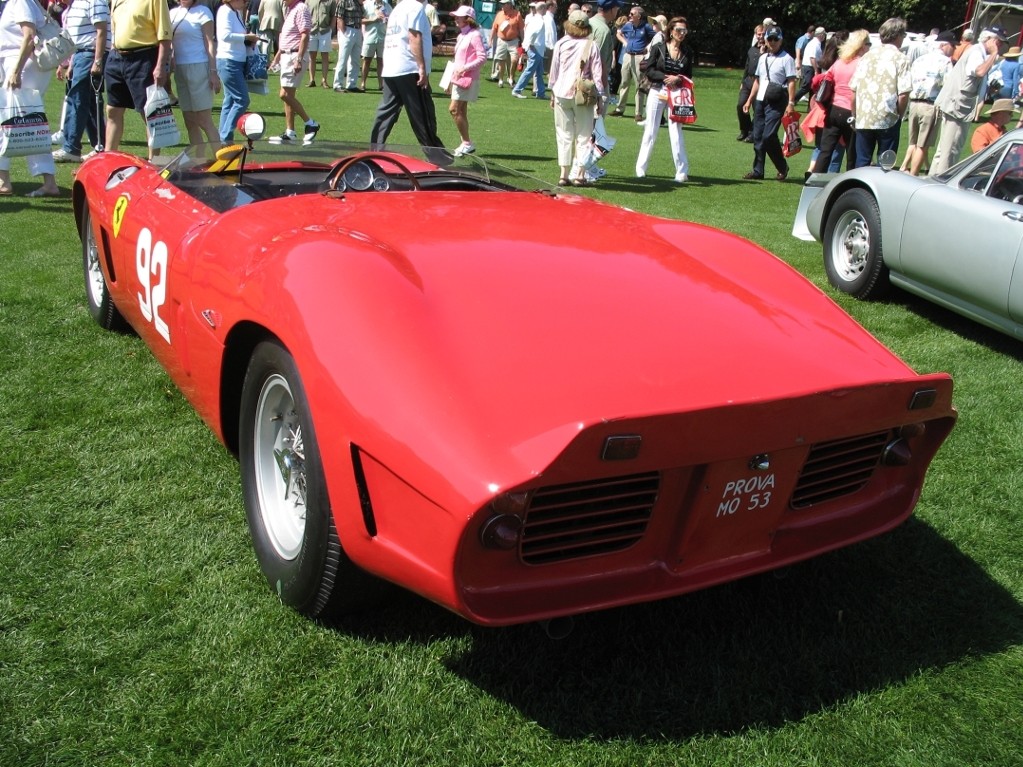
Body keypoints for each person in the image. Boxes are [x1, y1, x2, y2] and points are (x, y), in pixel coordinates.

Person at [368, 0, 447, 162]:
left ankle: (374, 151)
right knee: (423, 113)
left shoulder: (398, 8)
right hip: (409, 68)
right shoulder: (415, 7)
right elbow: (414, 36)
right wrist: (422, 68)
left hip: (391, 68)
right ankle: (437, 156)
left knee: (386, 112)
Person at [0, 0, 60, 195]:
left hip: (22, 65)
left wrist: (15, 71)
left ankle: (3, 180)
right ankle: (48, 181)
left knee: (7, 121)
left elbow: (29, 36)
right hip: (25, 65)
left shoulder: (20, 2)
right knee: (33, 124)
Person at [930, 26, 1007, 175]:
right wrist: (994, 53)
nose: (1001, 45)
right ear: (989, 40)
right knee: (950, 150)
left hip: (956, 106)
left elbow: (973, 79)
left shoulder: (978, 52)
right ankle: (941, 186)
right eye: (999, 42)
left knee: (944, 150)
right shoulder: (977, 53)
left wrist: (989, 90)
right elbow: (979, 71)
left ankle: (931, 180)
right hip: (957, 108)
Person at [103, 0, 172, 159]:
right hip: (117, 57)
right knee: (113, 110)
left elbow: (165, 34)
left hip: (144, 57)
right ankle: (108, 158)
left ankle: (153, 162)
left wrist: (161, 66)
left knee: (149, 113)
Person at [548, 8, 604, 185]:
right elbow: (598, 74)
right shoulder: (591, 45)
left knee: (563, 134)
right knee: (584, 135)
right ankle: (580, 174)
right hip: (583, 94)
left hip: (561, 93)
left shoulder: (561, 44)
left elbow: (553, 72)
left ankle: (563, 175)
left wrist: (552, 92)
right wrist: (601, 98)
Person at [635, 15, 692, 183]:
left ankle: (682, 171)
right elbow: (649, 69)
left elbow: (688, 75)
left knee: (676, 131)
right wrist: (665, 77)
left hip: (677, 94)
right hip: (657, 90)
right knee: (650, 131)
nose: (681, 33)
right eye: (678, 30)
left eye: (684, 30)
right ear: (671, 31)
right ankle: (641, 168)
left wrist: (678, 79)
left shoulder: (688, 51)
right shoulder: (659, 47)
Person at [848, 17, 910, 167]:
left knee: (862, 162)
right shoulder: (901, 59)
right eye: (903, 35)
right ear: (898, 35)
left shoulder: (866, 57)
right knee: (886, 164)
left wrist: (854, 115)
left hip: (864, 117)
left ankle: (859, 189)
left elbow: (854, 91)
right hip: (887, 118)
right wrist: (899, 117)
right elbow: (904, 94)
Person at [52, 0, 108, 163]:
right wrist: (70, 62)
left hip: (89, 54)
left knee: (76, 99)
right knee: (90, 102)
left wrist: (97, 60)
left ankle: (71, 148)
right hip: (79, 54)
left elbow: (101, 31)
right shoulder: (74, 6)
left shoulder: (94, 1)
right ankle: (100, 146)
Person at [741, 24, 796, 181]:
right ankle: (758, 170)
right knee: (757, 136)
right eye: (769, 39)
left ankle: (782, 166)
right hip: (761, 99)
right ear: (765, 40)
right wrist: (749, 99)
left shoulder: (787, 59)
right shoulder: (763, 58)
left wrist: (791, 103)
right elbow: (757, 81)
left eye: (775, 39)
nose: (772, 42)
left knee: (769, 136)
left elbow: (792, 81)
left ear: (781, 40)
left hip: (778, 100)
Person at [811, 29, 869, 174]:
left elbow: (825, 79)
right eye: (868, 44)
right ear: (862, 46)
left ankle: (814, 183)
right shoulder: (862, 63)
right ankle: (851, 183)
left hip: (834, 110)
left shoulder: (839, 62)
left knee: (825, 151)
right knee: (852, 154)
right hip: (851, 111)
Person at [898, 30, 954, 176]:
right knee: (923, 145)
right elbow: (949, 85)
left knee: (913, 142)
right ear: (944, 45)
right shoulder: (945, 62)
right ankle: (913, 175)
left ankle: (905, 168)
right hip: (930, 104)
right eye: (952, 45)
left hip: (914, 104)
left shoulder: (920, 60)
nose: (953, 49)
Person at [169, 0, 220, 146]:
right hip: (180, 68)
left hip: (199, 66)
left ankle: (222, 161)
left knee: (204, 119)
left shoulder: (203, 11)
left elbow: (210, 43)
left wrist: (213, 72)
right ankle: (199, 160)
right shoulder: (173, 13)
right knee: (189, 120)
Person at [273, 0, 320, 142]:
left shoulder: (301, 8)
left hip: (294, 56)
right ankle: (290, 132)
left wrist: (298, 59)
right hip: (287, 55)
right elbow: (287, 38)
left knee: (284, 94)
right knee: (289, 96)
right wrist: (276, 58)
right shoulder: (290, 10)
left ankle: (310, 123)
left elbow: (305, 35)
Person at [216, 0, 257, 144]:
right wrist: (247, 37)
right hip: (228, 60)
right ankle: (225, 136)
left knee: (230, 100)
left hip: (237, 60)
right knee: (242, 99)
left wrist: (248, 40)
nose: (246, 2)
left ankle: (223, 138)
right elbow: (225, 36)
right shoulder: (225, 11)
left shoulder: (236, 12)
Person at [446, 5, 483, 157]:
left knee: (454, 109)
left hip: (467, 78)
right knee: (460, 110)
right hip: (459, 78)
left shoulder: (474, 35)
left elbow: (482, 57)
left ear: (468, 19)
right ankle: (466, 143)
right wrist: (449, 80)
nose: (456, 18)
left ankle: (467, 143)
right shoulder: (462, 36)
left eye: (459, 16)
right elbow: (457, 60)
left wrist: (465, 68)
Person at [612, 5, 653, 121]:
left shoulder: (646, 27)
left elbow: (656, 38)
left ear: (639, 16)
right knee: (624, 83)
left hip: (639, 56)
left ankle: (638, 113)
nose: (629, 16)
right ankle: (620, 109)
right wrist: (624, 41)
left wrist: (647, 48)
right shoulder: (628, 26)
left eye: (632, 14)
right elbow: (618, 33)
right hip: (627, 56)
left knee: (639, 85)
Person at [736, 23, 764, 142]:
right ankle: (744, 130)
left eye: (763, 34)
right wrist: (743, 81)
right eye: (759, 34)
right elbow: (747, 67)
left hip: (760, 83)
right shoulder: (752, 49)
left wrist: (763, 53)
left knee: (757, 109)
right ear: (755, 35)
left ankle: (753, 133)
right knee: (741, 105)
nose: (761, 36)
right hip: (748, 81)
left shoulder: (768, 50)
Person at [511, 1, 545, 99]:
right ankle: (517, 90)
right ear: (542, 9)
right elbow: (534, 33)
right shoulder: (540, 21)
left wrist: (526, 45)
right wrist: (531, 44)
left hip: (536, 48)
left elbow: (528, 32)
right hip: (536, 49)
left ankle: (541, 93)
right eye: (545, 9)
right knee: (529, 70)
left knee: (539, 72)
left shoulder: (533, 19)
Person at [488, 0, 522, 87]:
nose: (502, 5)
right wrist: (490, 40)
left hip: (513, 41)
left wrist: (524, 40)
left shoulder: (517, 14)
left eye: (504, 4)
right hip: (501, 41)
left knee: (514, 60)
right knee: (501, 60)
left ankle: (511, 77)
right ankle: (501, 79)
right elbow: (494, 28)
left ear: (510, 5)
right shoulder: (499, 14)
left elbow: (521, 29)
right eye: (502, 3)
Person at [358, 0, 389, 91]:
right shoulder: (366, 5)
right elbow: (360, 20)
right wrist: (373, 19)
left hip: (382, 37)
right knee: (366, 61)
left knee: (381, 61)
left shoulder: (387, 6)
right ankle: (363, 83)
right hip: (370, 37)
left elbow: (392, 20)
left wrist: (386, 18)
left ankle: (381, 85)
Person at [333, 0, 363, 91]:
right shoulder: (343, 1)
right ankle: (337, 84)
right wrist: (344, 32)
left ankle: (351, 84)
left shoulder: (358, 2)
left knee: (355, 60)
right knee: (343, 59)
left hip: (357, 30)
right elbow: (339, 17)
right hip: (348, 30)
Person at [305, 0, 332, 88]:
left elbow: (333, 16)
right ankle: (311, 79)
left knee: (325, 55)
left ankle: (324, 80)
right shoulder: (308, 1)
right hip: (312, 30)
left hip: (325, 31)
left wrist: (331, 29)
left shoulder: (331, 1)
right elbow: (305, 15)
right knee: (312, 56)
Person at [793, 26, 824, 102]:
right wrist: (816, 70)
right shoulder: (815, 44)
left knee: (813, 88)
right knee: (806, 87)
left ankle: (811, 107)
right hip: (810, 67)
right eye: (824, 35)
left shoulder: (815, 43)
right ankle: (793, 100)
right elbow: (812, 58)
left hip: (810, 67)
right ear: (821, 35)